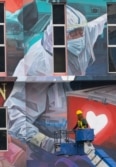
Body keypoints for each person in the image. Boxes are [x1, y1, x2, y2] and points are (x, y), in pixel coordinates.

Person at [4, 3, 107, 153]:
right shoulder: (37, 65)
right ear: (57, 36)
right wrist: (46, 143)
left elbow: (96, 25)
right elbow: (14, 115)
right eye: (71, 33)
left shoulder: (85, 35)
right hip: (43, 144)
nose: (78, 37)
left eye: (80, 31)